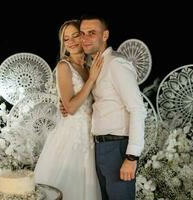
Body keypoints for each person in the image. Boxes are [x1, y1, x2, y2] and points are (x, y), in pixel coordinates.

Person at [61, 14, 147, 199]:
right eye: (82, 33)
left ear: (105, 35)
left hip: (117, 147)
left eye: (92, 33)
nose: (85, 38)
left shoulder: (116, 64)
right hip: (99, 148)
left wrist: (132, 157)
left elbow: (138, 109)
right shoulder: (95, 65)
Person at [34, 19, 103, 200]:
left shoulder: (89, 67)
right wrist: (91, 80)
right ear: (63, 44)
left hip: (92, 135)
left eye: (75, 36)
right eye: (66, 39)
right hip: (72, 137)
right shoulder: (64, 67)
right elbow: (71, 108)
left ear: (83, 37)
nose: (71, 42)